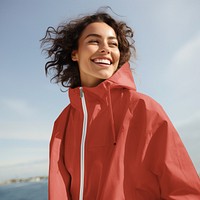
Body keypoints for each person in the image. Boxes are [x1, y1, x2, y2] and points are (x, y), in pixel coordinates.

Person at [41, 9, 200, 200]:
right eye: (94, 41)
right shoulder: (63, 123)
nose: (106, 48)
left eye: (113, 44)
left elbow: (183, 190)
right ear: (75, 53)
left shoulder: (143, 108)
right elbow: (59, 191)